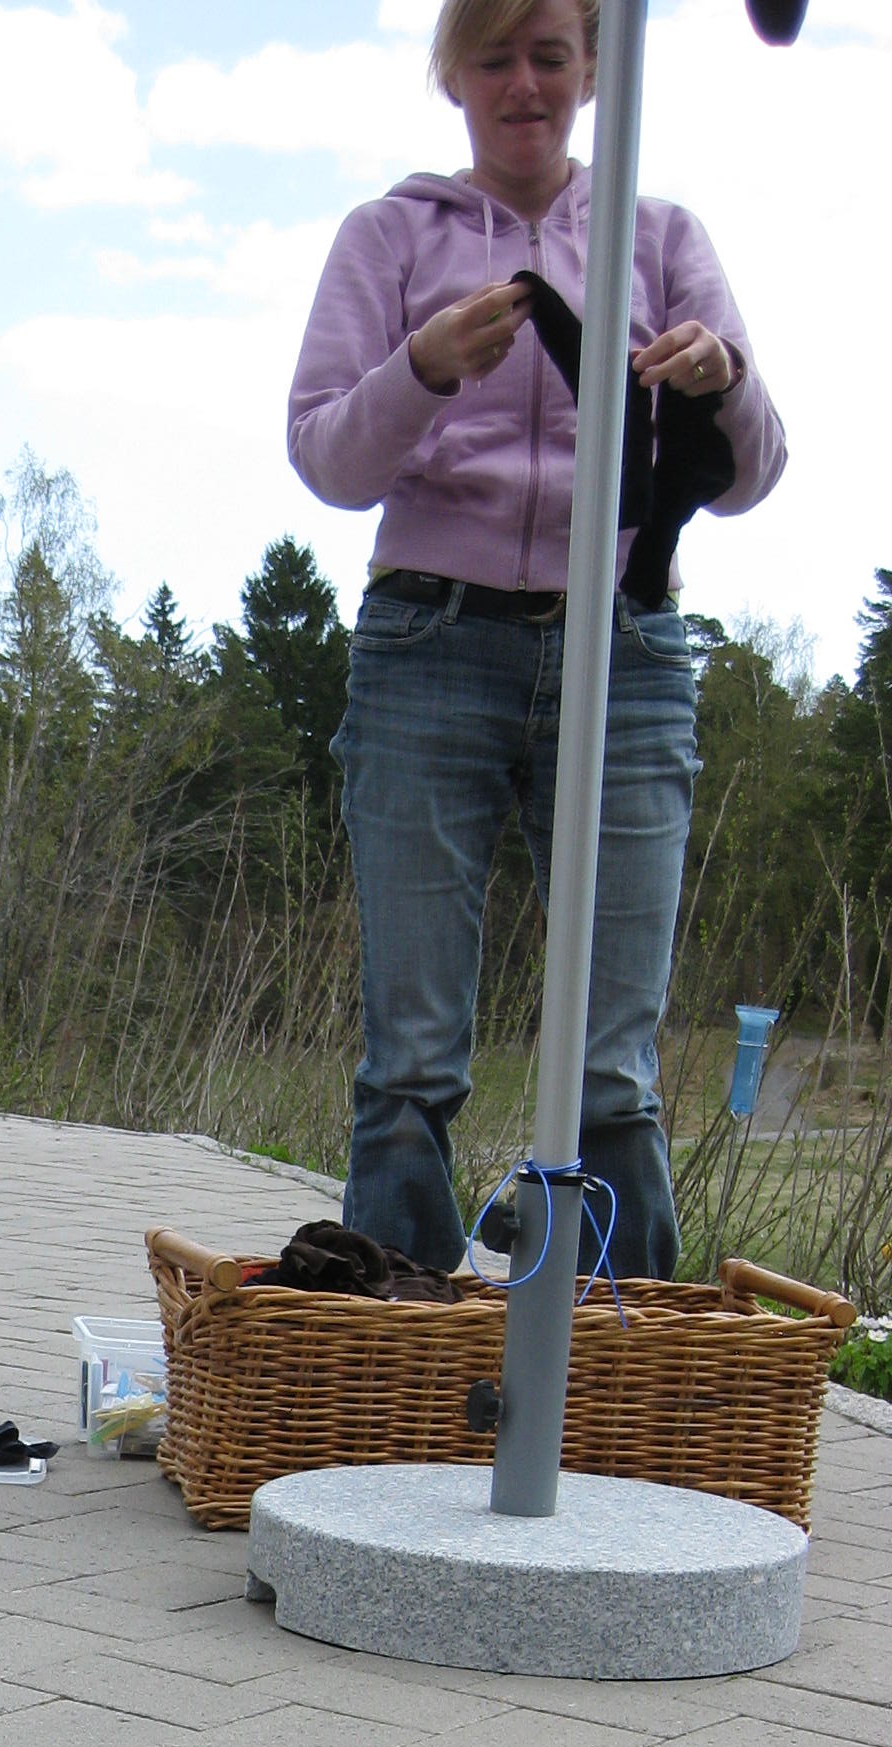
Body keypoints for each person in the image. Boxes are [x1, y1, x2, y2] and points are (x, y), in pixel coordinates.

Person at [288, 0, 786, 1278]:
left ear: (594, 71)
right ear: (453, 73)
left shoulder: (658, 236)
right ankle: (398, 1356)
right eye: (496, 57)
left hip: (626, 656)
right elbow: (328, 459)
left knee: (612, 1068)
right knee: (411, 1059)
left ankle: (615, 1372)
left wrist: (724, 378)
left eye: (550, 56)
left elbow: (752, 476)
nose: (523, 84)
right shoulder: (391, 235)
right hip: (430, 645)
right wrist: (422, 366)